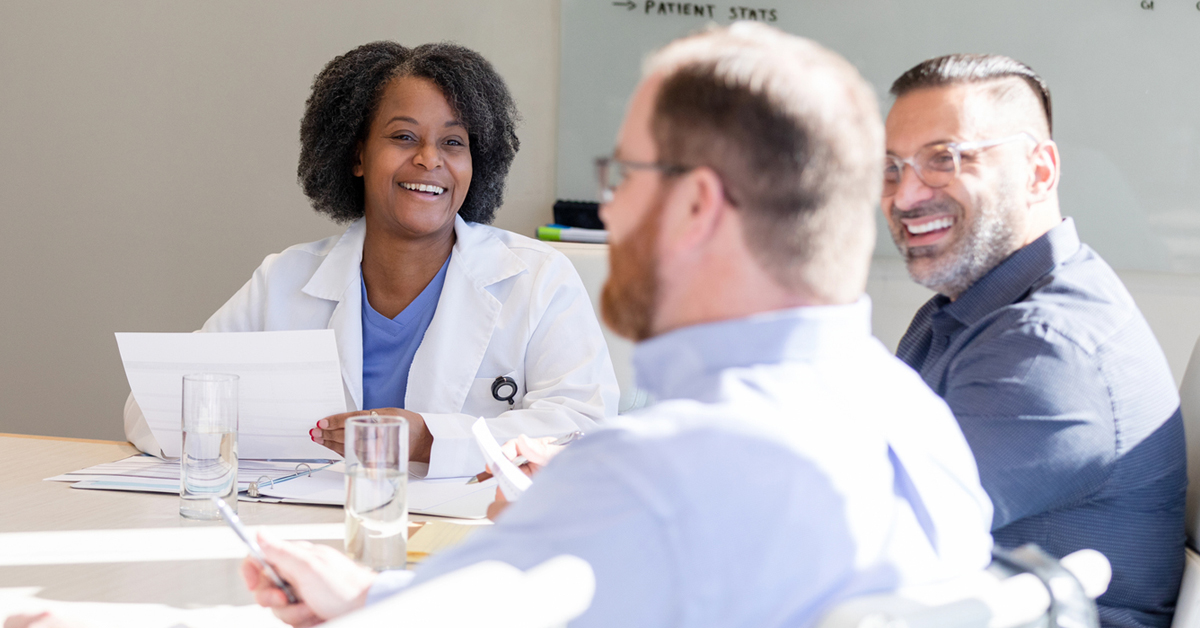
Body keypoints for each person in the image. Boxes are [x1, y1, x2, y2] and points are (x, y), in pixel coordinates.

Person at [237, 24, 994, 628]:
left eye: (626, 176)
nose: (611, 209)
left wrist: (365, 601)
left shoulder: (650, 475)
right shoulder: (920, 421)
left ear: (696, 206)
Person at [124, 41, 619, 478]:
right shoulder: (285, 280)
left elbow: (585, 428)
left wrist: (429, 439)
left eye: (453, 142)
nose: (429, 159)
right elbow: (152, 408)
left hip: (469, 534)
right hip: (311, 527)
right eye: (404, 137)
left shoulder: (537, 279)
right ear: (357, 156)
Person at [882, 53, 1187, 627]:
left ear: (1039, 172)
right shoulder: (968, 311)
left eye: (944, 159)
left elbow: (873, 533)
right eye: (891, 169)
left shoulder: (1045, 349)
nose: (904, 196)